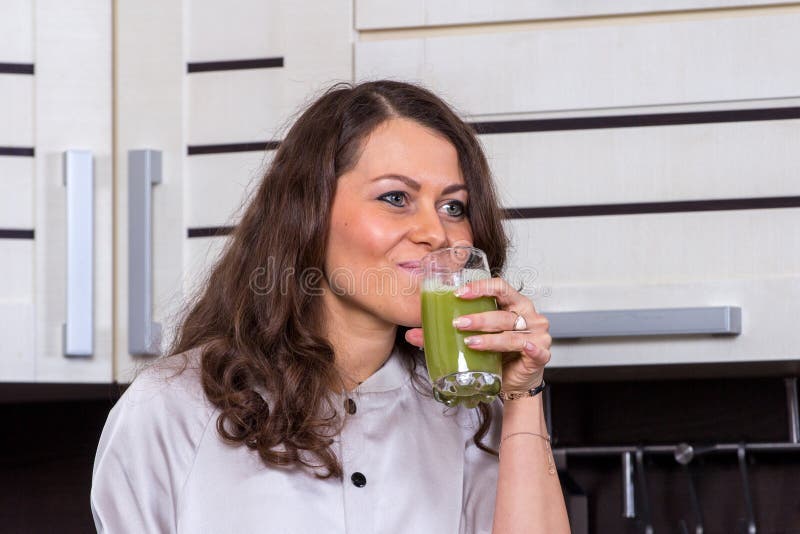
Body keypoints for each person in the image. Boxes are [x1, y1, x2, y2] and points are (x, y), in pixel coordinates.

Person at [90, 80, 569, 533]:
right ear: (310, 212)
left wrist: (523, 398)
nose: (437, 233)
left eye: (454, 207)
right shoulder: (172, 409)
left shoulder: (468, 413)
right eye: (396, 198)